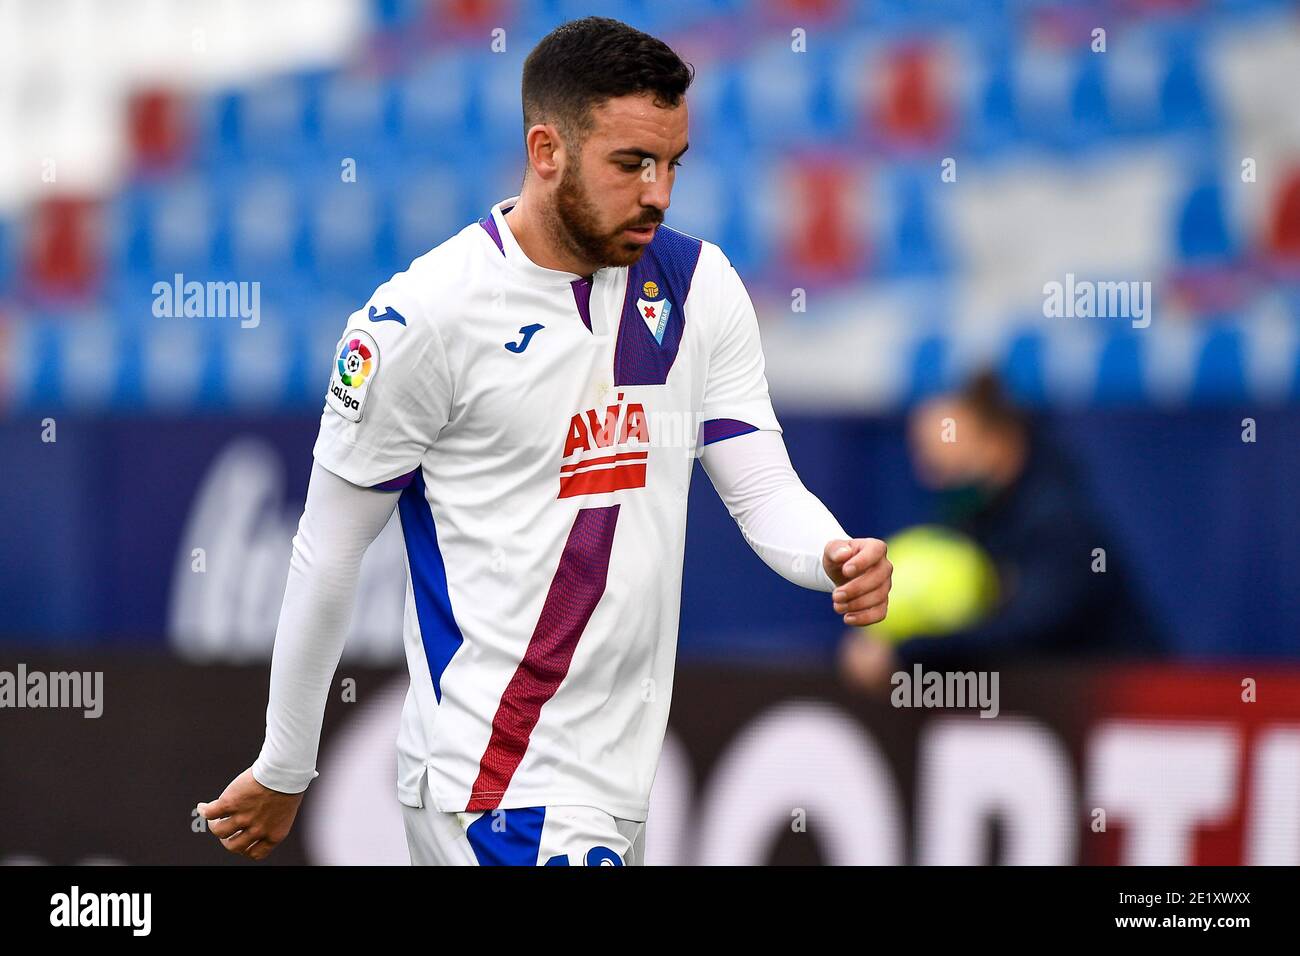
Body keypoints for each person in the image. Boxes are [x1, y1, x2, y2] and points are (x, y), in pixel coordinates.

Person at [197, 16, 892, 866]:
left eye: (673, 164)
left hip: (602, 790)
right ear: (546, 150)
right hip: (504, 785)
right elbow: (328, 550)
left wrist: (830, 552)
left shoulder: (699, 287)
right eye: (632, 163)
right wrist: (285, 762)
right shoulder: (425, 318)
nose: (659, 193)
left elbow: (759, 485)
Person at [839, 371, 1164, 692]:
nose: (930, 479)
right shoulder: (973, 520)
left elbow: (1025, 630)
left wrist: (905, 655)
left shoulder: (1060, 523)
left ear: (996, 441)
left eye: (943, 467)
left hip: (1130, 707)